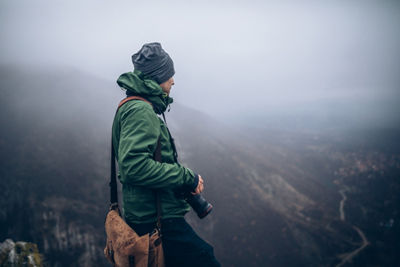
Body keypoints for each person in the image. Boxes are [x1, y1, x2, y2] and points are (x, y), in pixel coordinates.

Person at [112, 42, 220, 267]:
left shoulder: (133, 107)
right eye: (169, 75)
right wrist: (185, 177)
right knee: (205, 259)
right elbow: (134, 167)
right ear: (156, 77)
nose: (173, 81)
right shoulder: (140, 111)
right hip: (156, 221)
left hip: (151, 216)